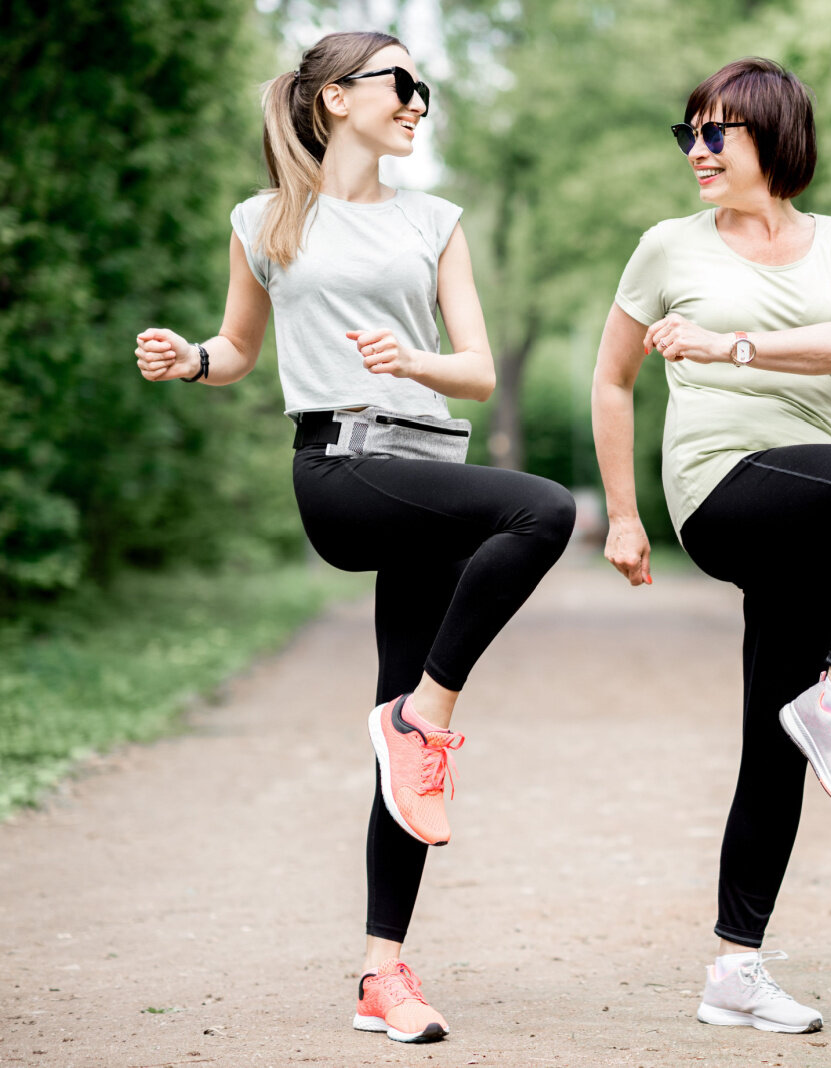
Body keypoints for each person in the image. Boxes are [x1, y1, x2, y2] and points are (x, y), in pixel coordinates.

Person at [133, 31, 576, 1045]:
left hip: (429, 470)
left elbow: (477, 372)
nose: (419, 101)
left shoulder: (436, 221)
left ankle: (383, 972)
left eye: (427, 89)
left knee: (405, 757)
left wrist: (412, 360)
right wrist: (187, 358)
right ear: (336, 99)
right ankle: (425, 717)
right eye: (401, 83)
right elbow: (240, 348)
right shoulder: (266, 220)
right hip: (341, 473)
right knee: (543, 509)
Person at [591, 57, 831, 1035]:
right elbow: (613, 379)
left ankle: (735, 970)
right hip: (721, 489)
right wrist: (624, 515)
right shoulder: (667, 246)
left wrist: (730, 345)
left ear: (773, 138)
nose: (698, 150)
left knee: (772, 743)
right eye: (689, 133)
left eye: (719, 132)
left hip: (812, 506)